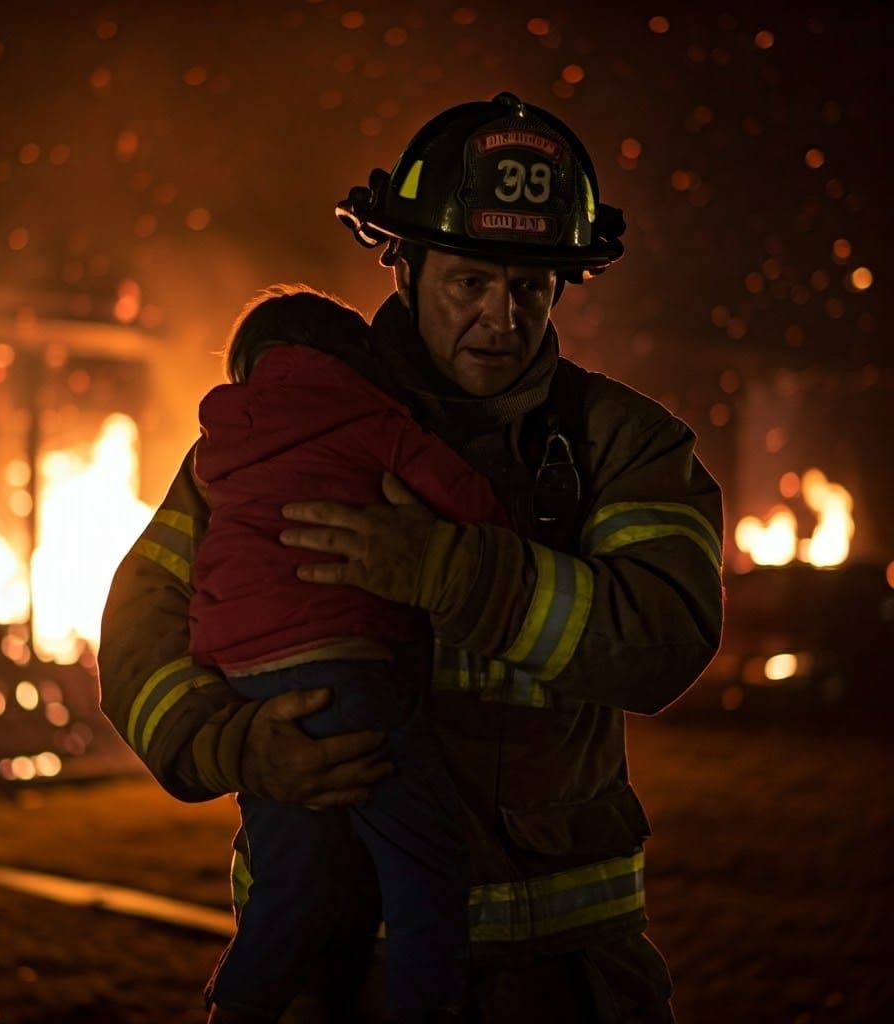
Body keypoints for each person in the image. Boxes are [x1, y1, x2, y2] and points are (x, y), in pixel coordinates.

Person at [98, 92, 724, 1023]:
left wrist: (454, 575)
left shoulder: (621, 443)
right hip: (338, 976)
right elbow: (137, 630)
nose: (501, 318)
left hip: (558, 984)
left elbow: (667, 633)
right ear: (405, 267)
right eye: (469, 281)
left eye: (529, 288)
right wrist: (233, 744)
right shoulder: (292, 427)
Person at [192, 287, 511, 1022]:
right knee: (424, 858)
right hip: (340, 660)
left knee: (290, 875)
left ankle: (237, 1008)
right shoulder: (371, 417)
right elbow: (470, 504)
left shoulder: (223, 438)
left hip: (245, 675)